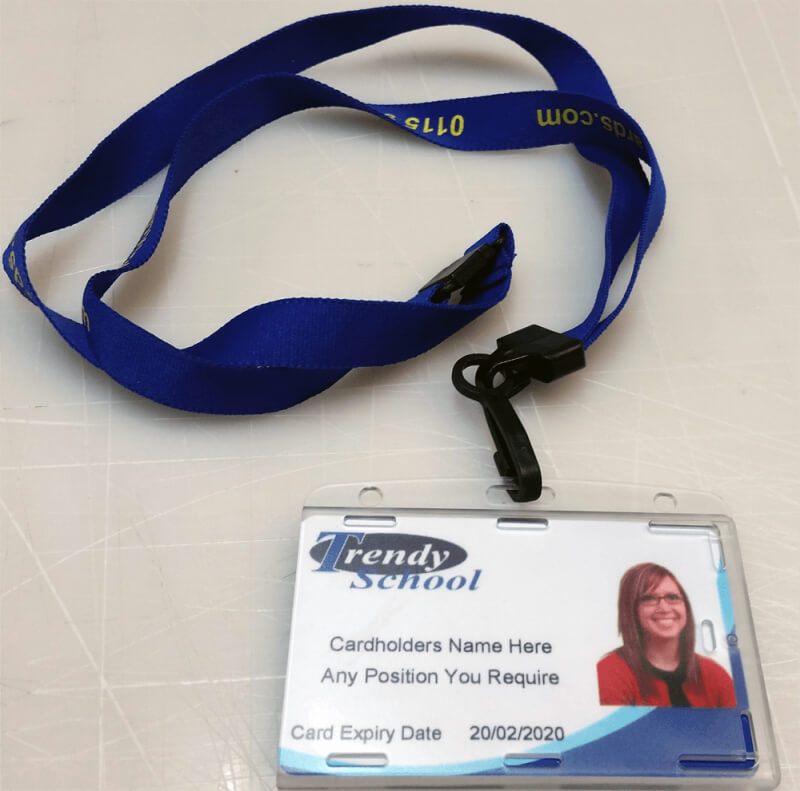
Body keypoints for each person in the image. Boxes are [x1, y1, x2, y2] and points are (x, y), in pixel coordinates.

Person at [597, 562, 736, 707]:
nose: (664, 608)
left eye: (673, 597)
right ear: (631, 610)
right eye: (649, 598)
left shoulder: (713, 674)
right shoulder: (611, 672)